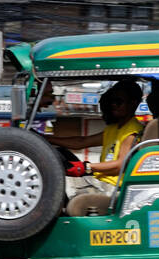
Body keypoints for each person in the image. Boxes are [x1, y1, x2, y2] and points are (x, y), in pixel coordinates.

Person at [53, 77, 143, 216]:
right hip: (99, 182)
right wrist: (47, 138)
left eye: (118, 102)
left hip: (112, 189)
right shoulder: (113, 128)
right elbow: (81, 142)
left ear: (133, 103)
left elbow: (119, 165)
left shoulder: (133, 130)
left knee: (55, 179)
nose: (114, 105)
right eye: (112, 101)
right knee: (58, 155)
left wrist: (86, 167)